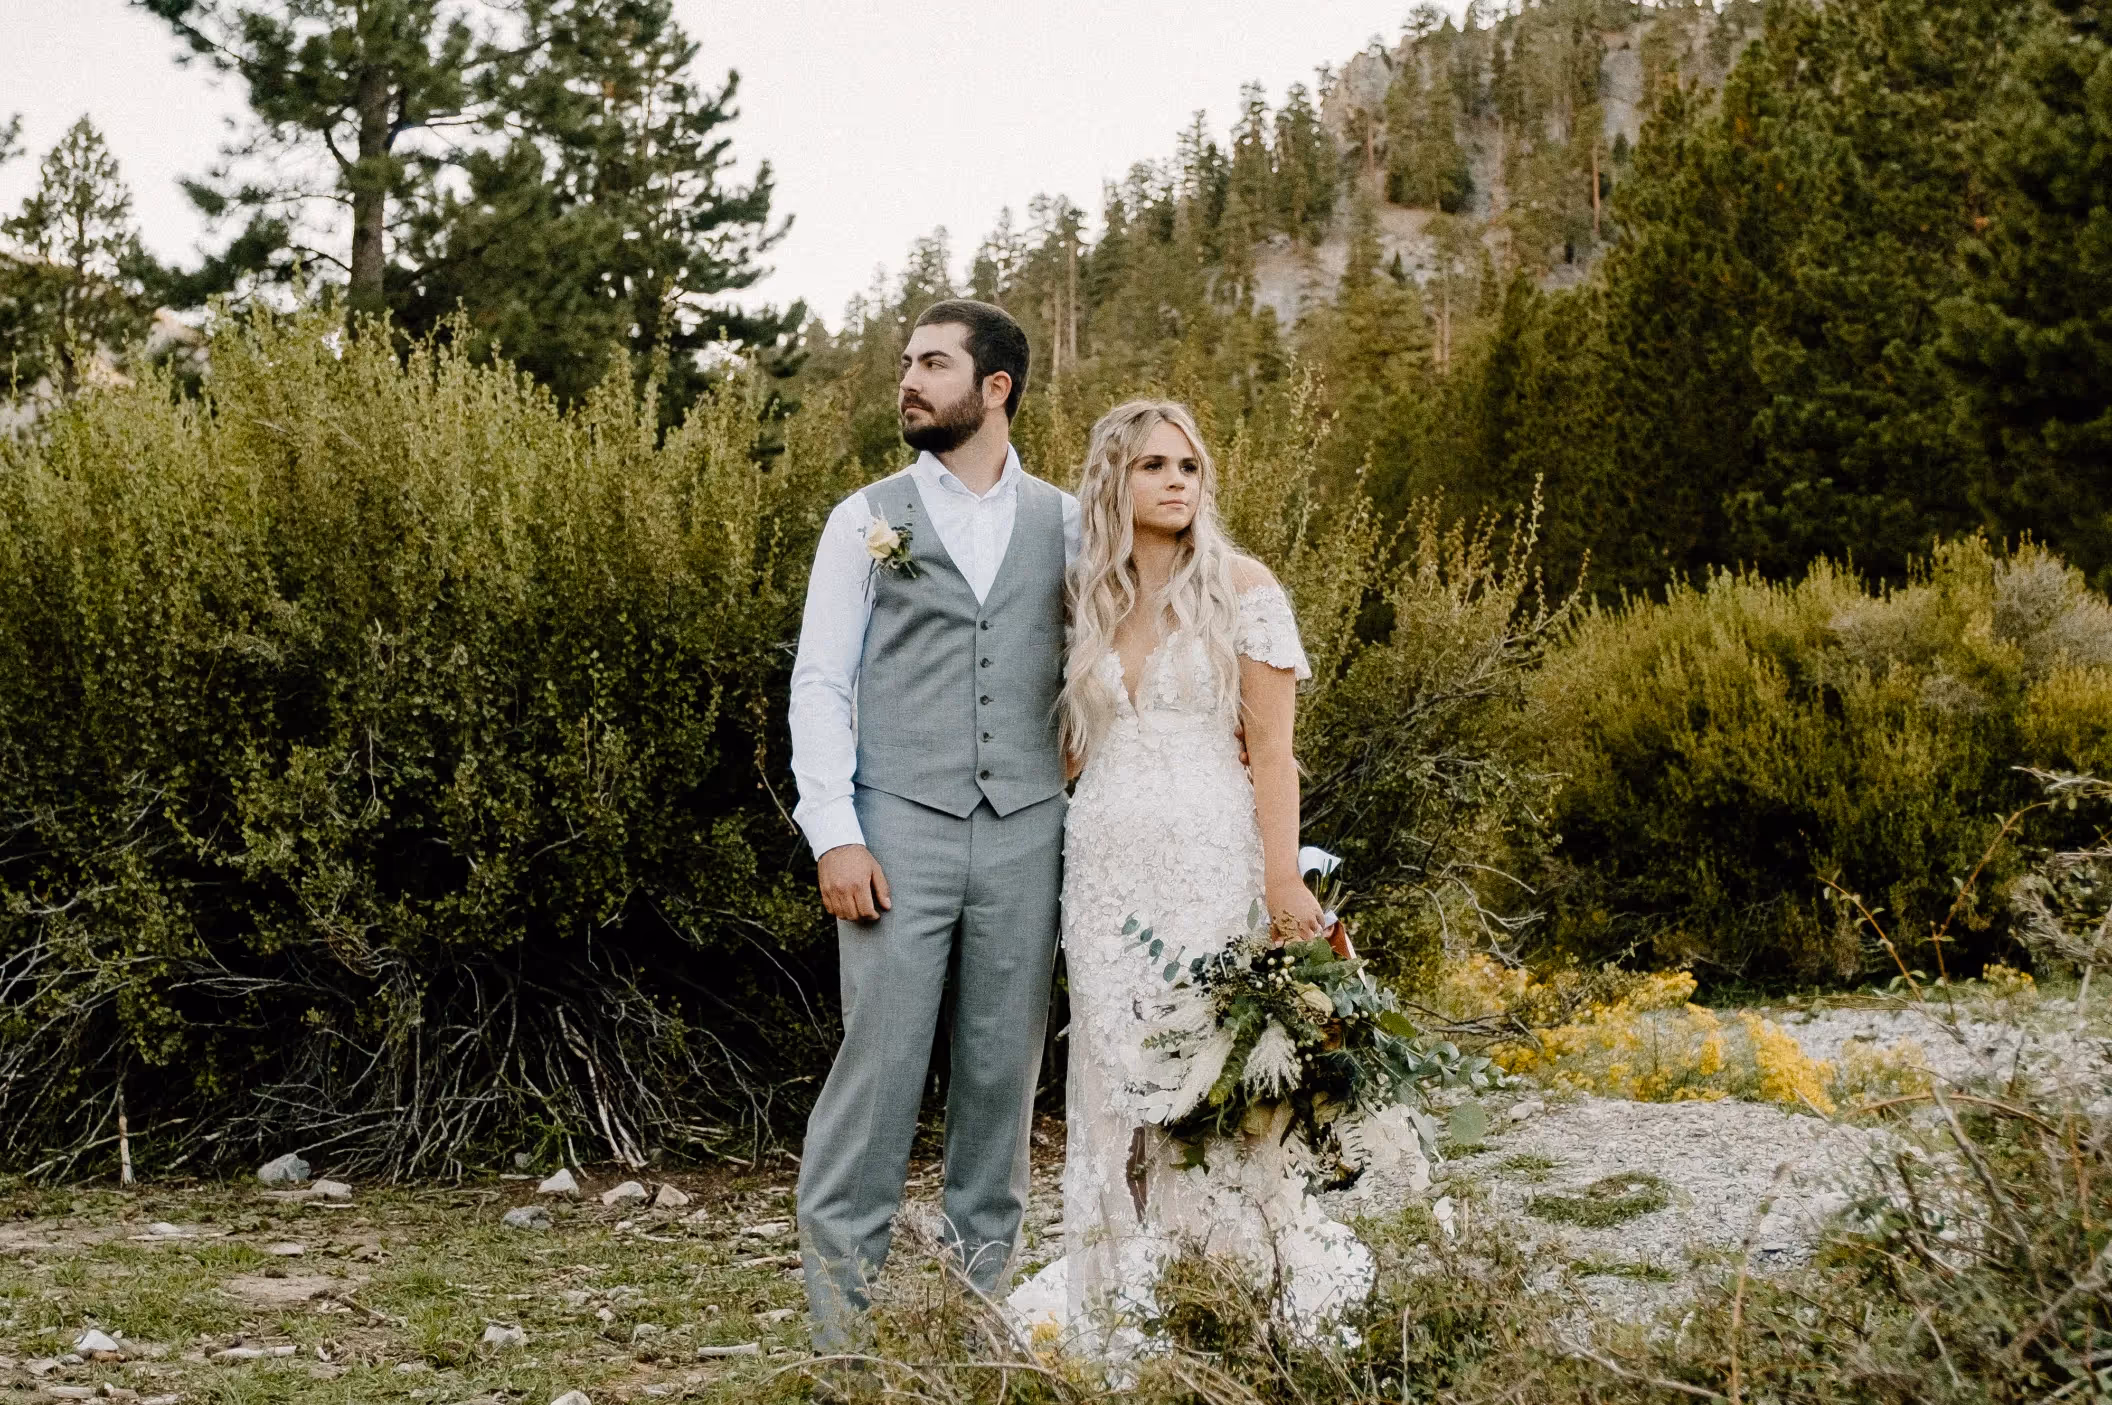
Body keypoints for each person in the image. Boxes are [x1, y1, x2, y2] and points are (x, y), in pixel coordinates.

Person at [1009, 399, 1374, 1353]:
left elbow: (1275, 753)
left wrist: (1286, 881)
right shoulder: (1087, 596)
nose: (1177, 480)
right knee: (1108, 1058)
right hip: (1102, 865)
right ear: (1112, 483)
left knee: (1208, 1056)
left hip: (1212, 855)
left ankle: (1228, 1257)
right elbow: (1069, 752)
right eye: (1152, 466)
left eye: (1189, 465)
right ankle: (1110, 1261)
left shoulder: (1244, 589)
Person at [787, 299, 1080, 1353]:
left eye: (932, 363)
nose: (908, 381)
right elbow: (821, 682)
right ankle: (845, 1348)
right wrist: (835, 831)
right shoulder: (864, 516)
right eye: (906, 362)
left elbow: (1102, 660)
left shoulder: (1070, 518)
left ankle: (972, 1333)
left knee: (1003, 1083)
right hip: (896, 832)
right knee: (877, 1081)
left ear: (994, 388)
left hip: (1027, 831)